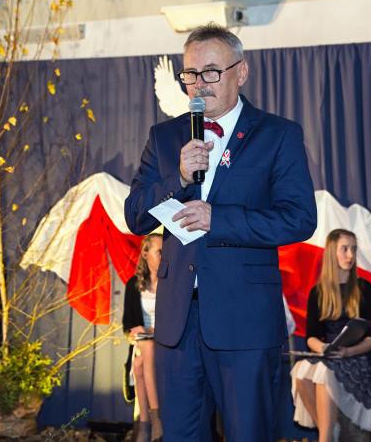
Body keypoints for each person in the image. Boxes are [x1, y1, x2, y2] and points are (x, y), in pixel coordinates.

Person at [124, 23, 317, 442]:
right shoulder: (165, 136)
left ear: (241, 72)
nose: (199, 84)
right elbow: (135, 216)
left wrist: (220, 219)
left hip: (244, 321)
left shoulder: (277, 135)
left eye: (211, 72)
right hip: (177, 323)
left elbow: (300, 218)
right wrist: (177, 177)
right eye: (190, 74)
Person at [290, 228, 371, 441]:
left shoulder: (364, 289)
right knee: (300, 372)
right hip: (331, 355)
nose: (350, 255)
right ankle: (329, 431)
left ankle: (325, 438)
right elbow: (311, 337)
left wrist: (349, 351)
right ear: (331, 253)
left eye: (354, 249)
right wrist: (324, 348)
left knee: (324, 371)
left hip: (360, 358)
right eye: (344, 249)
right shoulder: (318, 292)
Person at [123, 233, 163, 442]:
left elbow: (175, 323)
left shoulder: (170, 285)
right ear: (145, 254)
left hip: (165, 343)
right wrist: (136, 332)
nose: (164, 257)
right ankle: (152, 422)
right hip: (142, 344)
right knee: (142, 356)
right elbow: (127, 325)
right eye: (159, 252)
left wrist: (150, 331)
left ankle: (149, 422)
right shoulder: (133, 285)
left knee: (141, 361)